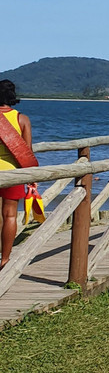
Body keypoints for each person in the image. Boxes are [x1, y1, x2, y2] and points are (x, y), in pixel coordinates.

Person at [0, 80, 33, 269]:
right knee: (10, 215)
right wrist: (31, 179)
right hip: (13, 174)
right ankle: (5, 258)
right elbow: (27, 153)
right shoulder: (22, 119)